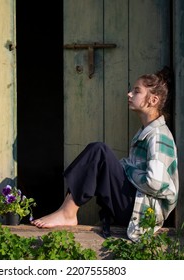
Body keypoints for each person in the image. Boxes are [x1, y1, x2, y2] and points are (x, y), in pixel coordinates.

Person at [31, 66, 179, 242]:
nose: (129, 94)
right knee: (99, 155)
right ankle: (67, 211)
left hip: (140, 213)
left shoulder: (159, 135)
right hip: (132, 207)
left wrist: (126, 169)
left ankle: (68, 213)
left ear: (153, 100)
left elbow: (156, 182)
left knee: (99, 151)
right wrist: (125, 169)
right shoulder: (146, 131)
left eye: (136, 91)